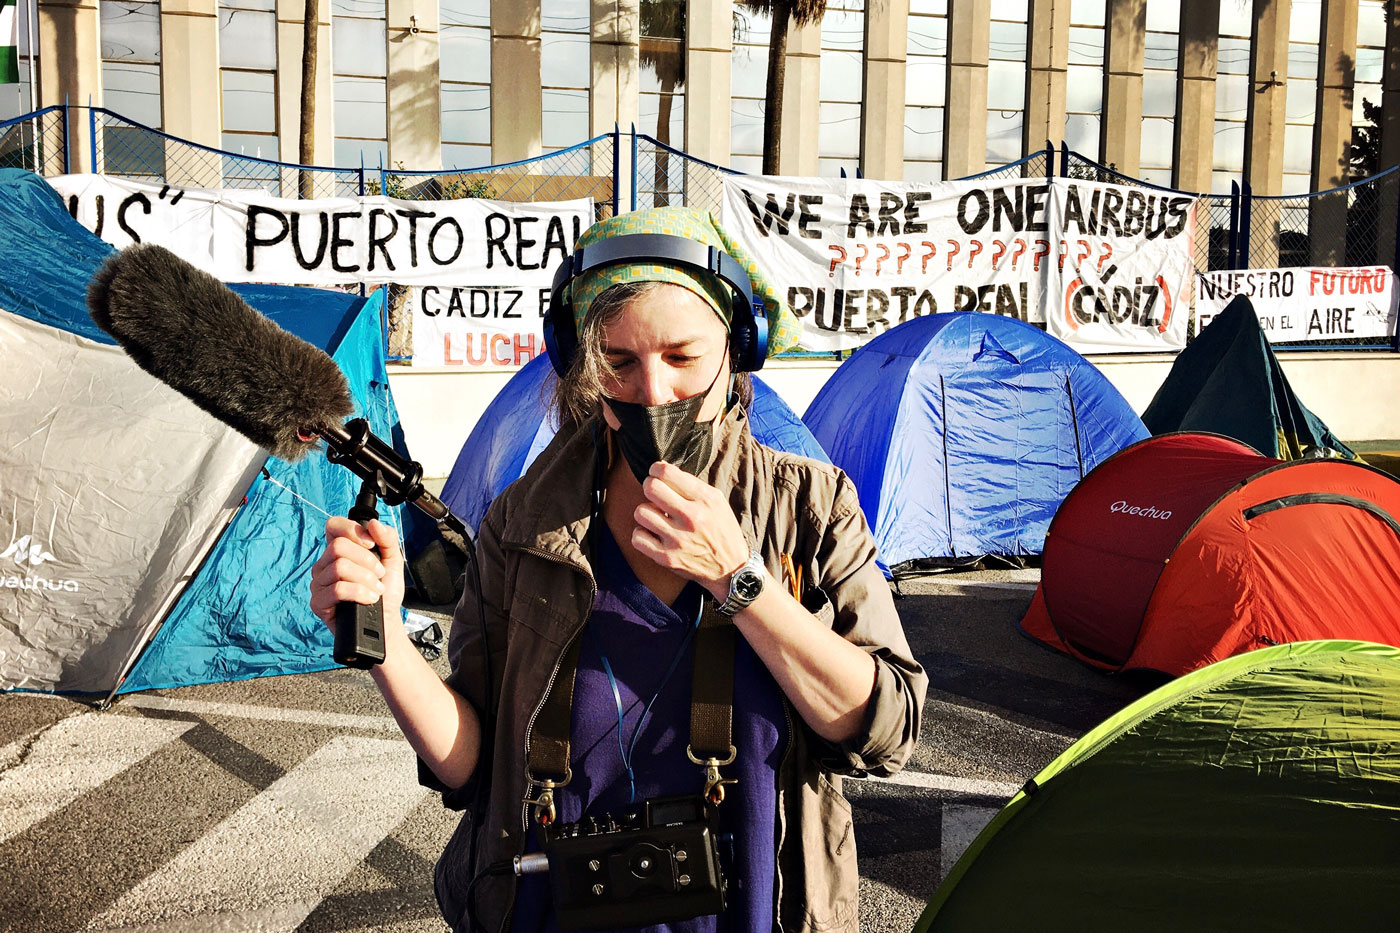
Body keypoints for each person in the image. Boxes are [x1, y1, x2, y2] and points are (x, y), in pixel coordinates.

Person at [309, 206, 927, 933]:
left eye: (683, 356)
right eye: (620, 362)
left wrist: (741, 582)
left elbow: (887, 727)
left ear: (738, 348)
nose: (654, 393)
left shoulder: (810, 508)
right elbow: (473, 767)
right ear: (582, 363)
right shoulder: (522, 522)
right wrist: (384, 635)